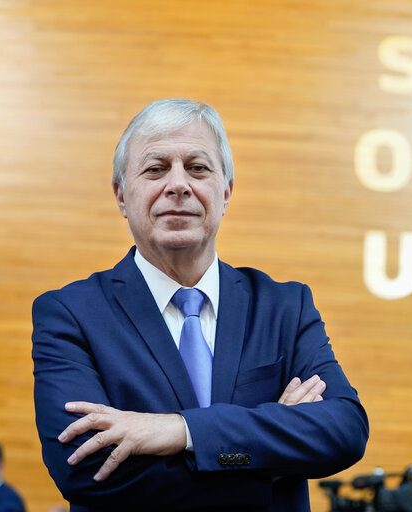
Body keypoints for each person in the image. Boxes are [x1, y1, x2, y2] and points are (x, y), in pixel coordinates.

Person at [32, 98, 369, 512]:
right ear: (121, 196)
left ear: (226, 191)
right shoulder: (70, 315)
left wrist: (181, 431)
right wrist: (270, 462)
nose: (178, 184)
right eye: (155, 169)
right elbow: (85, 469)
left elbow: (344, 430)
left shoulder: (284, 307)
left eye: (198, 167)